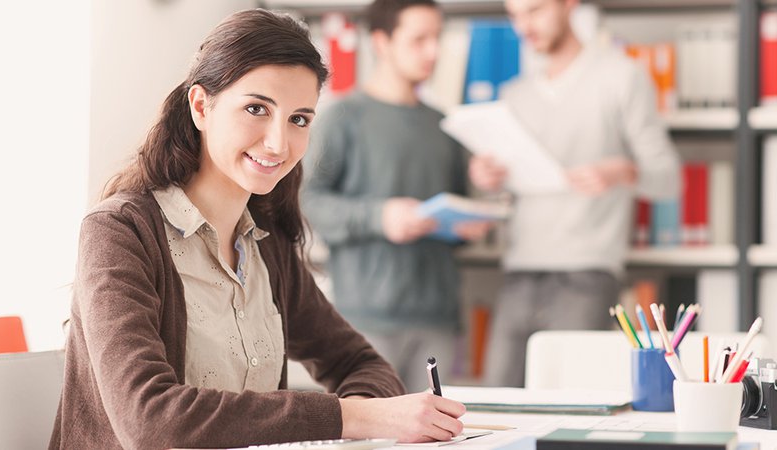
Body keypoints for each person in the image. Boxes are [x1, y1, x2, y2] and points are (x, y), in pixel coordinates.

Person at [50, 10, 467, 449]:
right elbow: (152, 420)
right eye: (256, 109)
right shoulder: (119, 232)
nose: (278, 143)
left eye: (299, 119)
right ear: (200, 106)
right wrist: (354, 416)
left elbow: (361, 364)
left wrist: (363, 420)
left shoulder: (267, 243)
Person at [470, 0, 681, 387]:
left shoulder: (622, 77)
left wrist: (622, 170)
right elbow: (507, 190)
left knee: (568, 399)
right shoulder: (514, 95)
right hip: (520, 270)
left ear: (568, 5)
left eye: (534, 11)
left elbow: (668, 179)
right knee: (494, 401)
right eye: (515, 16)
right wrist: (488, 177)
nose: (523, 27)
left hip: (586, 274)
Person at [301, 0, 492, 392]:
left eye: (437, 39)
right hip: (363, 323)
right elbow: (309, 202)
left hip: (438, 317)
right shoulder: (342, 118)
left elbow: (455, 209)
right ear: (382, 42)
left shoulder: (445, 125)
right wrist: (380, 217)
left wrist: (469, 219)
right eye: (419, 39)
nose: (433, 52)